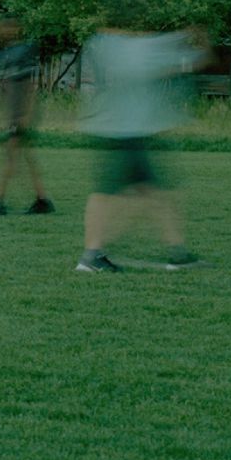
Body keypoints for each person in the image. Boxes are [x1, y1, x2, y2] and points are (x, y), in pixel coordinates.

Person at [76, 22, 207, 273]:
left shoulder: (104, 43)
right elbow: (185, 60)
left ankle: (177, 252)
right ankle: (91, 255)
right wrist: (196, 38)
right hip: (126, 132)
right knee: (112, 195)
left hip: (122, 131)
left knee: (155, 193)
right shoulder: (135, 49)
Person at [0, 19, 53, 216]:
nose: (4, 30)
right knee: (25, 156)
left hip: (21, 114)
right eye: (2, 27)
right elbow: (7, 87)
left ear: (16, 29)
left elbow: (30, 87)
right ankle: (42, 200)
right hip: (14, 114)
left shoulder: (23, 52)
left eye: (8, 27)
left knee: (9, 157)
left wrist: (26, 115)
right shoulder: (3, 54)